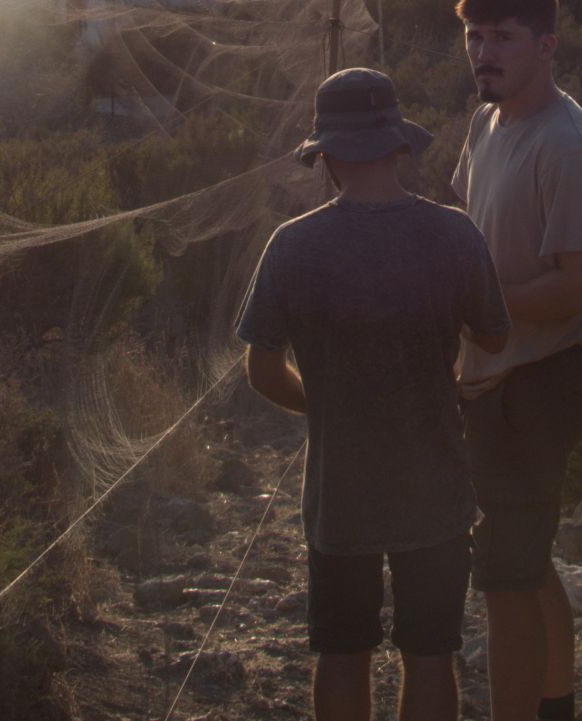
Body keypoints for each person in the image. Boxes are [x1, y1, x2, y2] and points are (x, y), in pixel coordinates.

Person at [238, 67, 511, 721]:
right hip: (437, 491)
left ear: (325, 156)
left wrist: (324, 403)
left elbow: (262, 368)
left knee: (341, 653)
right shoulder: (454, 234)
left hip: (340, 495)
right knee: (430, 655)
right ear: (398, 145)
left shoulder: (292, 245)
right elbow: (495, 339)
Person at [452, 0, 582, 721]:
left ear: (546, 46)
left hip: (541, 383)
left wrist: (482, 306)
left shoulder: (569, 145)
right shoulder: (486, 124)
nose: (483, 53)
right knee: (524, 556)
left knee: (504, 576)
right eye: (474, 37)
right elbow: (468, 236)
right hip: (492, 380)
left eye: (503, 37)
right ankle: (558, 706)